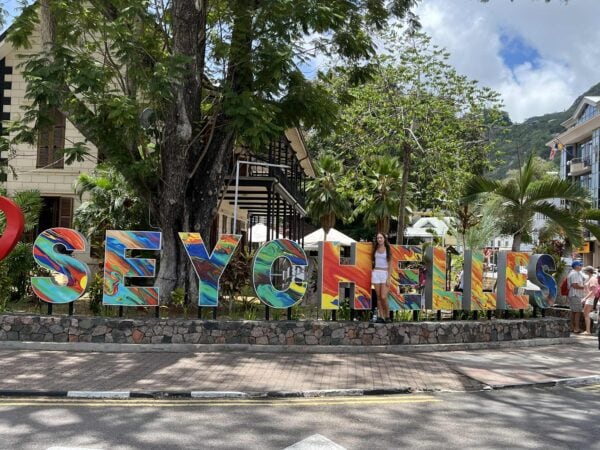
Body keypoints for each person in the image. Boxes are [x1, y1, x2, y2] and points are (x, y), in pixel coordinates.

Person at [372, 232, 391, 323]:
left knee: (383, 297)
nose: (379, 239)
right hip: (376, 273)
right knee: (378, 297)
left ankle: (387, 316)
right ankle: (381, 317)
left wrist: (389, 278)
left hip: (385, 274)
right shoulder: (374, 248)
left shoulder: (388, 249)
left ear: (384, 239)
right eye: (378, 238)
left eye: (381, 237)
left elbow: (390, 265)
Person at [567, 261, 585, 333]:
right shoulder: (574, 273)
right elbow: (575, 285)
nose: (581, 266)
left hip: (574, 295)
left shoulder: (576, 273)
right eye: (580, 265)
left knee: (574, 312)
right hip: (575, 295)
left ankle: (572, 327)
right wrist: (585, 287)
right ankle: (576, 328)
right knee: (577, 312)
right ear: (576, 266)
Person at [582, 266, 598, 336]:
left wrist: (585, 298)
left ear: (588, 271)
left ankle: (588, 331)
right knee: (586, 314)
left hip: (590, 298)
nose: (584, 272)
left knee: (586, 314)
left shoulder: (592, 279)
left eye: (585, 271)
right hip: (589, 298)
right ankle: (587, 330)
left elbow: (592, 291)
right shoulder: (590, 278)